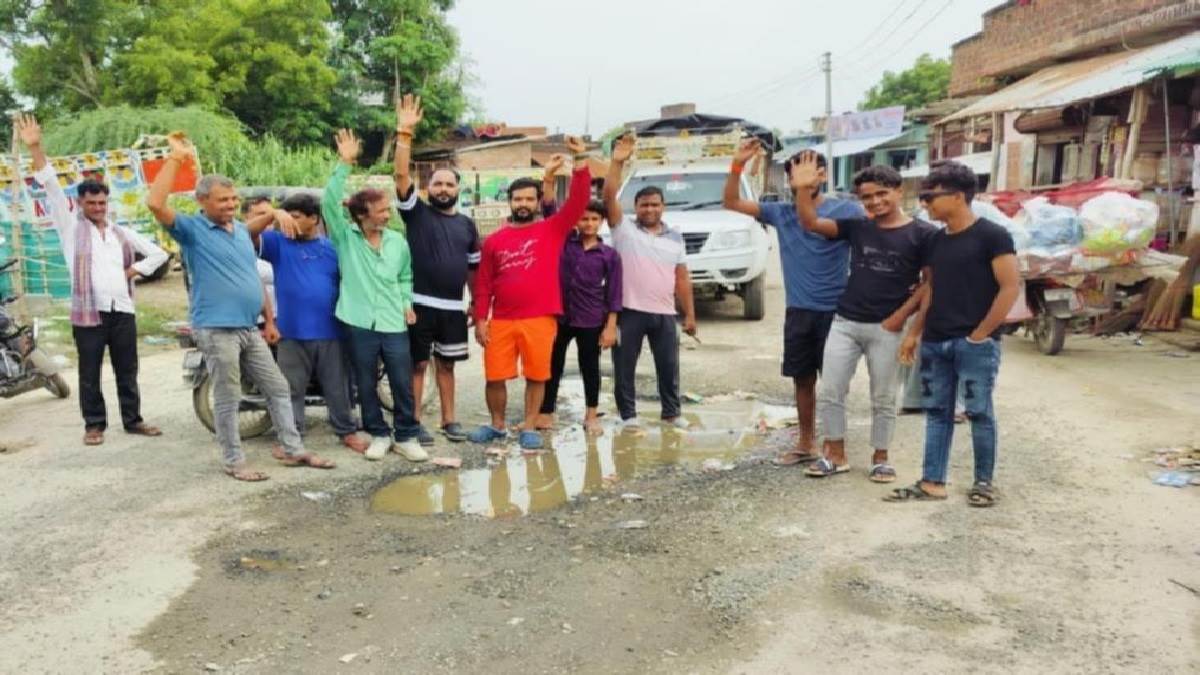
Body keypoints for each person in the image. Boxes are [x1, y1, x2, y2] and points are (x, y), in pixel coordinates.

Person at [146, 134, 335, 480]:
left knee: (278, 387)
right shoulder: (193, 230)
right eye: (222, 200)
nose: (231, 204)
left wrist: (269, 318)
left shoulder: (237, 232)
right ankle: (234, 461)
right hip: (217, 329)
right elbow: (156, 204)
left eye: (234, 198)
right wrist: (175, 159)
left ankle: (293, 450)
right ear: (203, 201)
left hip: (249, 328)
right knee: (228, 396)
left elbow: (253, 274)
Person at [17, 114, 166, 446]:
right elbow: (51, 185)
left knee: (127, 370)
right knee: (90, 373)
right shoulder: (71, 228)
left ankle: (133, 420)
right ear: (81, 203)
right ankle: (94, 425)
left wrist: (134, 271)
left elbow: (158, 254)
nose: (98, 207)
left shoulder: (119, 232)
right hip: (90, 314)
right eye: (92, 203)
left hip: (123, 310)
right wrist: (36, 147)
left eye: (102, 202)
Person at [788, 157, 937, 482]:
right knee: (831, 391)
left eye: (882, 193)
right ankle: (834, 454)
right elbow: (811, 223)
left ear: (899, 191)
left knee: (883, 396)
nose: (875, 201)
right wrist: (802, 189)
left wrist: (904, 322)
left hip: (888, 328)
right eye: (867, 197)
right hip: (844, 323)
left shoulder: (923, 234)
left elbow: (931, 285)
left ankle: (881, 457)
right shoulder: (858, 227)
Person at [721, 141, 864, 464]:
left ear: (824, 175)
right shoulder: (780, 212)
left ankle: (833, 443)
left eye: (809, 174)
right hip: (799, 311)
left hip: (836, 312)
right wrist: (736, 165)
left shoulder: (846, 211)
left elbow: (811, 220)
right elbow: (730, 201)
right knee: (802, 379)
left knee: (833, 383)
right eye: (794, 176)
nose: (800, 181)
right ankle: (805, 442)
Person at [886, 161, 1019, 507]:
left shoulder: (993, 236)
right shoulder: (935, 241)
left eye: (931, 196)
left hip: (975, 344)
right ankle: (932, 482)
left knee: (978, 412)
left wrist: (980, 335)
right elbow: (931, 288)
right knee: (937, 413)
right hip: (936, 342)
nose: (926, 203)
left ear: (958, 196)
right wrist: (915, 332)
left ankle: (983, 483)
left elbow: (1009, 288)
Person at [469, 136, 592, 450]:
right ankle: (497, 425)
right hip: (503, 321)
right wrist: (481, 319)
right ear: (509, 201)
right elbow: (483, 284)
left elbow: (578, 202)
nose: (522, 204)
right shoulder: (494, 240)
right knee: (494, 376)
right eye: (517, 199)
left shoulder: (552, 229)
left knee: (537, 375)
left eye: (528, 199)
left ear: (538, 202)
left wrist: (580, 161)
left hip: (540, 319)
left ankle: (529, 424)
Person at [323, 129, 426, 462]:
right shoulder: (345, 238)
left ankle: (407, 435)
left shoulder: (397, 241)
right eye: (381, 210)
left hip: (394, 319)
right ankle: (378, 434)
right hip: (358, 320)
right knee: (365, 382)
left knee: (400, 379)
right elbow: (328, 202)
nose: (387, 214)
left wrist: (407, 303)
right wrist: (344, 163)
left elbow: (405, 276)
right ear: (362, 214)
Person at [243, 192, 368, 454]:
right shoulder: (278, 243)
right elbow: (245, 234)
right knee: (290, 390)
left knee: (338, 389)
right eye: (288, 216)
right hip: (291, 333)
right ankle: (292, 435)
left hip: (332, 332)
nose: (290, 221)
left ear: (314, 219)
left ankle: (346, 432)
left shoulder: (334, 248)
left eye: (296, 217)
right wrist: (273, 214)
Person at [393, 93, 480, 444]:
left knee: (447, 366)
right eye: (437, 183)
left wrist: (475, 303)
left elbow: (473, 269)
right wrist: (404, 134)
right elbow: (400, 173)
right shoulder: (416, 214)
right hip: (417, 305)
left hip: (453, 309)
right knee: (417, 365)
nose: (443, 188)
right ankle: (414, 422)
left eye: (449, 184)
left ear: (458, 189)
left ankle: (449, 420)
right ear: (427, 188)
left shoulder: (467, 225)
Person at [603, 134, 697, 430]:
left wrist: (690, 315)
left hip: (665, 314)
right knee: (624, 368)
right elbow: (608, 198)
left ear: (663, 206)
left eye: (654, 205)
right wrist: (617, 162)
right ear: (636, 207)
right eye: (643, 205)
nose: (649, 210)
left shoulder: (676, 237)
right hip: (629, 310)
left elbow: (681, 277)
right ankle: (628, 416)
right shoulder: (624, 230)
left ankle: (671, 412)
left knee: (669, 367)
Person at [534, 198, 622, 435]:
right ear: (576, 220)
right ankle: (546, 411)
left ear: (602, 222)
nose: (589, 224)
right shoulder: (564, 242)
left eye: (594, 219)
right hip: (560, 316)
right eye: (584, 218)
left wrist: (610, 326)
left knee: (590, 367)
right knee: (553, 364)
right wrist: (550, 180)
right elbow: (550, 212)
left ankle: (591, 414)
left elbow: (614, 293)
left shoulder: (609, 255)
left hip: (591, 318)